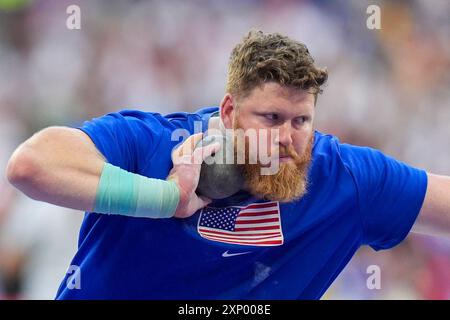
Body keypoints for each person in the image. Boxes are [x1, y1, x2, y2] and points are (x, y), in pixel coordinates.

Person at [5, 30, 450, 299]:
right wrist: (165, 197)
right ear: (229, 111)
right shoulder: (156, 143)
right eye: (271, 118)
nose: (286, 139)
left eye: (301, 121)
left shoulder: (344, 178)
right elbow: (30, 165)